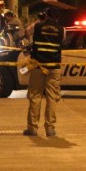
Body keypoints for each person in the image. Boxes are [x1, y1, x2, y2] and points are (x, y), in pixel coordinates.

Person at [23, 7, 65, 137]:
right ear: (58, 17)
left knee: (35, 96)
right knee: (52, 97)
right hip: (54, 67)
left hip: (38, 66)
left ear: (46, 15)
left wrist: (40, 21)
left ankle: (32, 128)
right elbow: (62, 43)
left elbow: (26, 32)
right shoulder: (62, 30)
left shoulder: (37, 26)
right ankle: (50, 128)